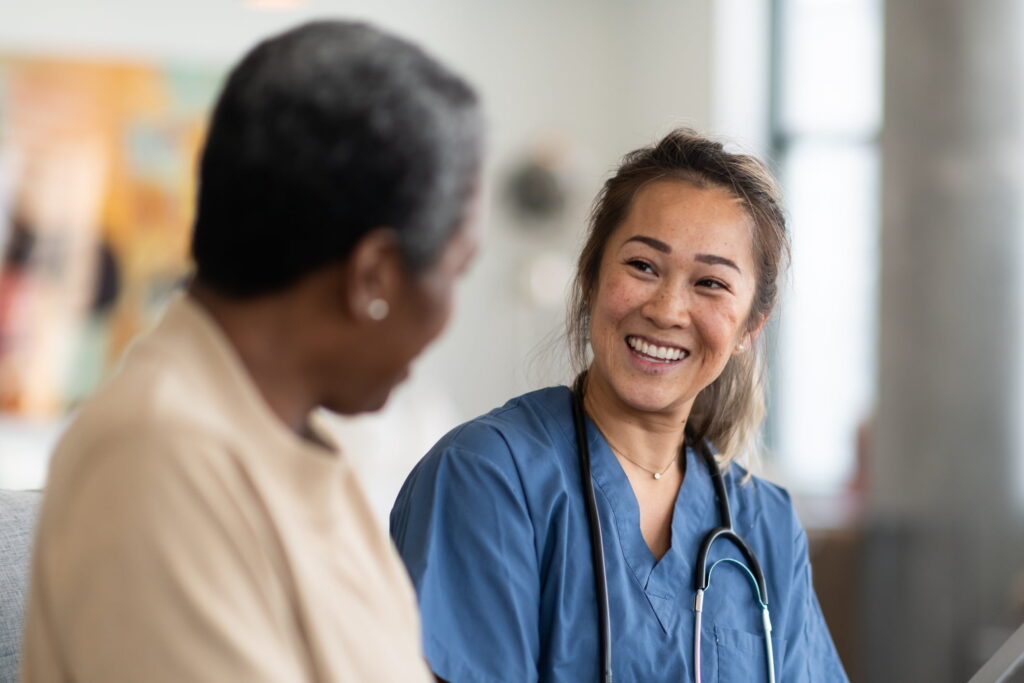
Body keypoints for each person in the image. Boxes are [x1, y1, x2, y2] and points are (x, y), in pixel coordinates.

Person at [21, 20, 482, 683]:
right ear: (374, 275)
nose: (451, 311)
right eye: (455, 270)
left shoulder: (299, 441)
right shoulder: (157, 454)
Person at [391, 129, 849, 682]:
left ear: (752, 326)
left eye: (710, 282)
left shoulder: (767, 526)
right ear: (591, 276)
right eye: (643, 266)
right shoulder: (489, 476)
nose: (667, 309)